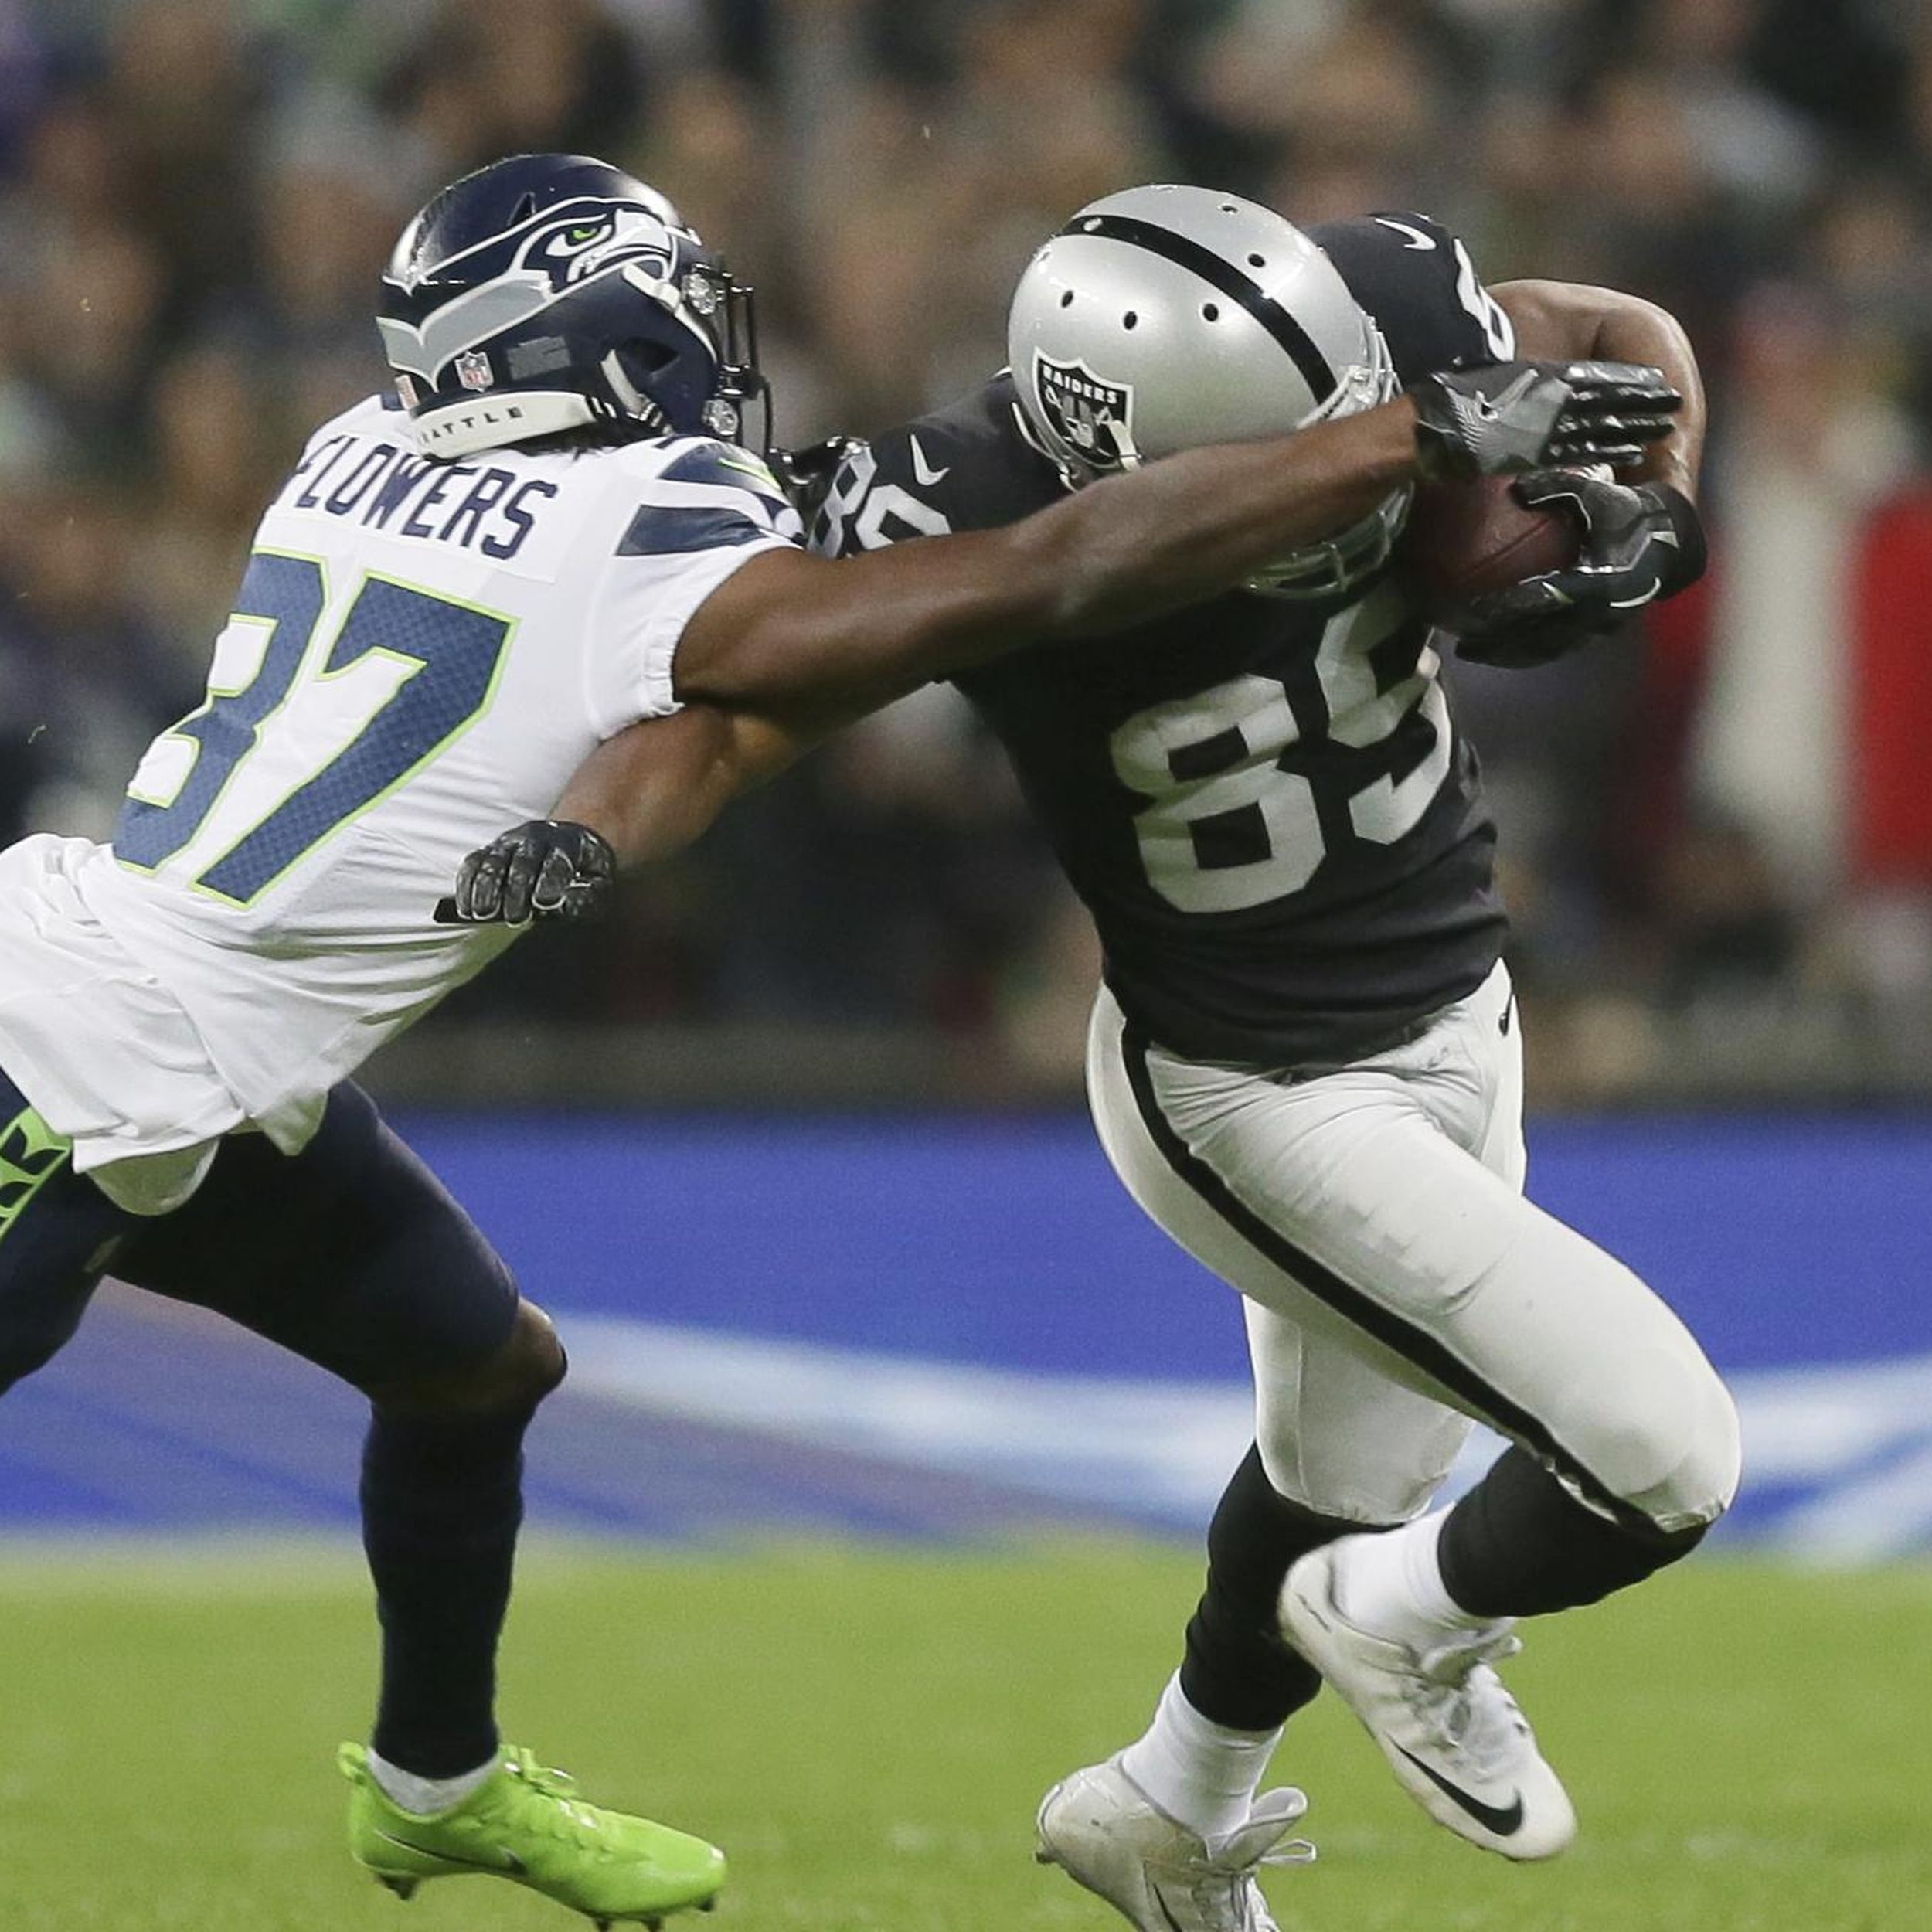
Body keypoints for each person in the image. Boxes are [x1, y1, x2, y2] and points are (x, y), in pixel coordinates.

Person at [0, 156, 1670, 1927]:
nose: (704, 331)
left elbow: (686, 706)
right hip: (77, 1060)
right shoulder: (645, 525)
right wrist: (1395, 438)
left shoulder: (361, 442)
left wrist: (596, 826)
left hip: (184, 1024)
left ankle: (438, 1785)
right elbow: (1032, 572)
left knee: (473, 1365)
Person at [448, 185, 1727, 1932]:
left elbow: (1608, 330)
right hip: (1253, 1089)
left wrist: (1655, 496)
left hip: (1453, 995)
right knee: (1656, 1450)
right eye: (1267, 463)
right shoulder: (959, 501)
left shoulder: (1382, 303)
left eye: (1337, 427)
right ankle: (1406, 1624)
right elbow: (733, 700)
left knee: (1338, 1481)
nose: (1328, 480)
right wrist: (588, 826)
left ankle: (1163, 1812)